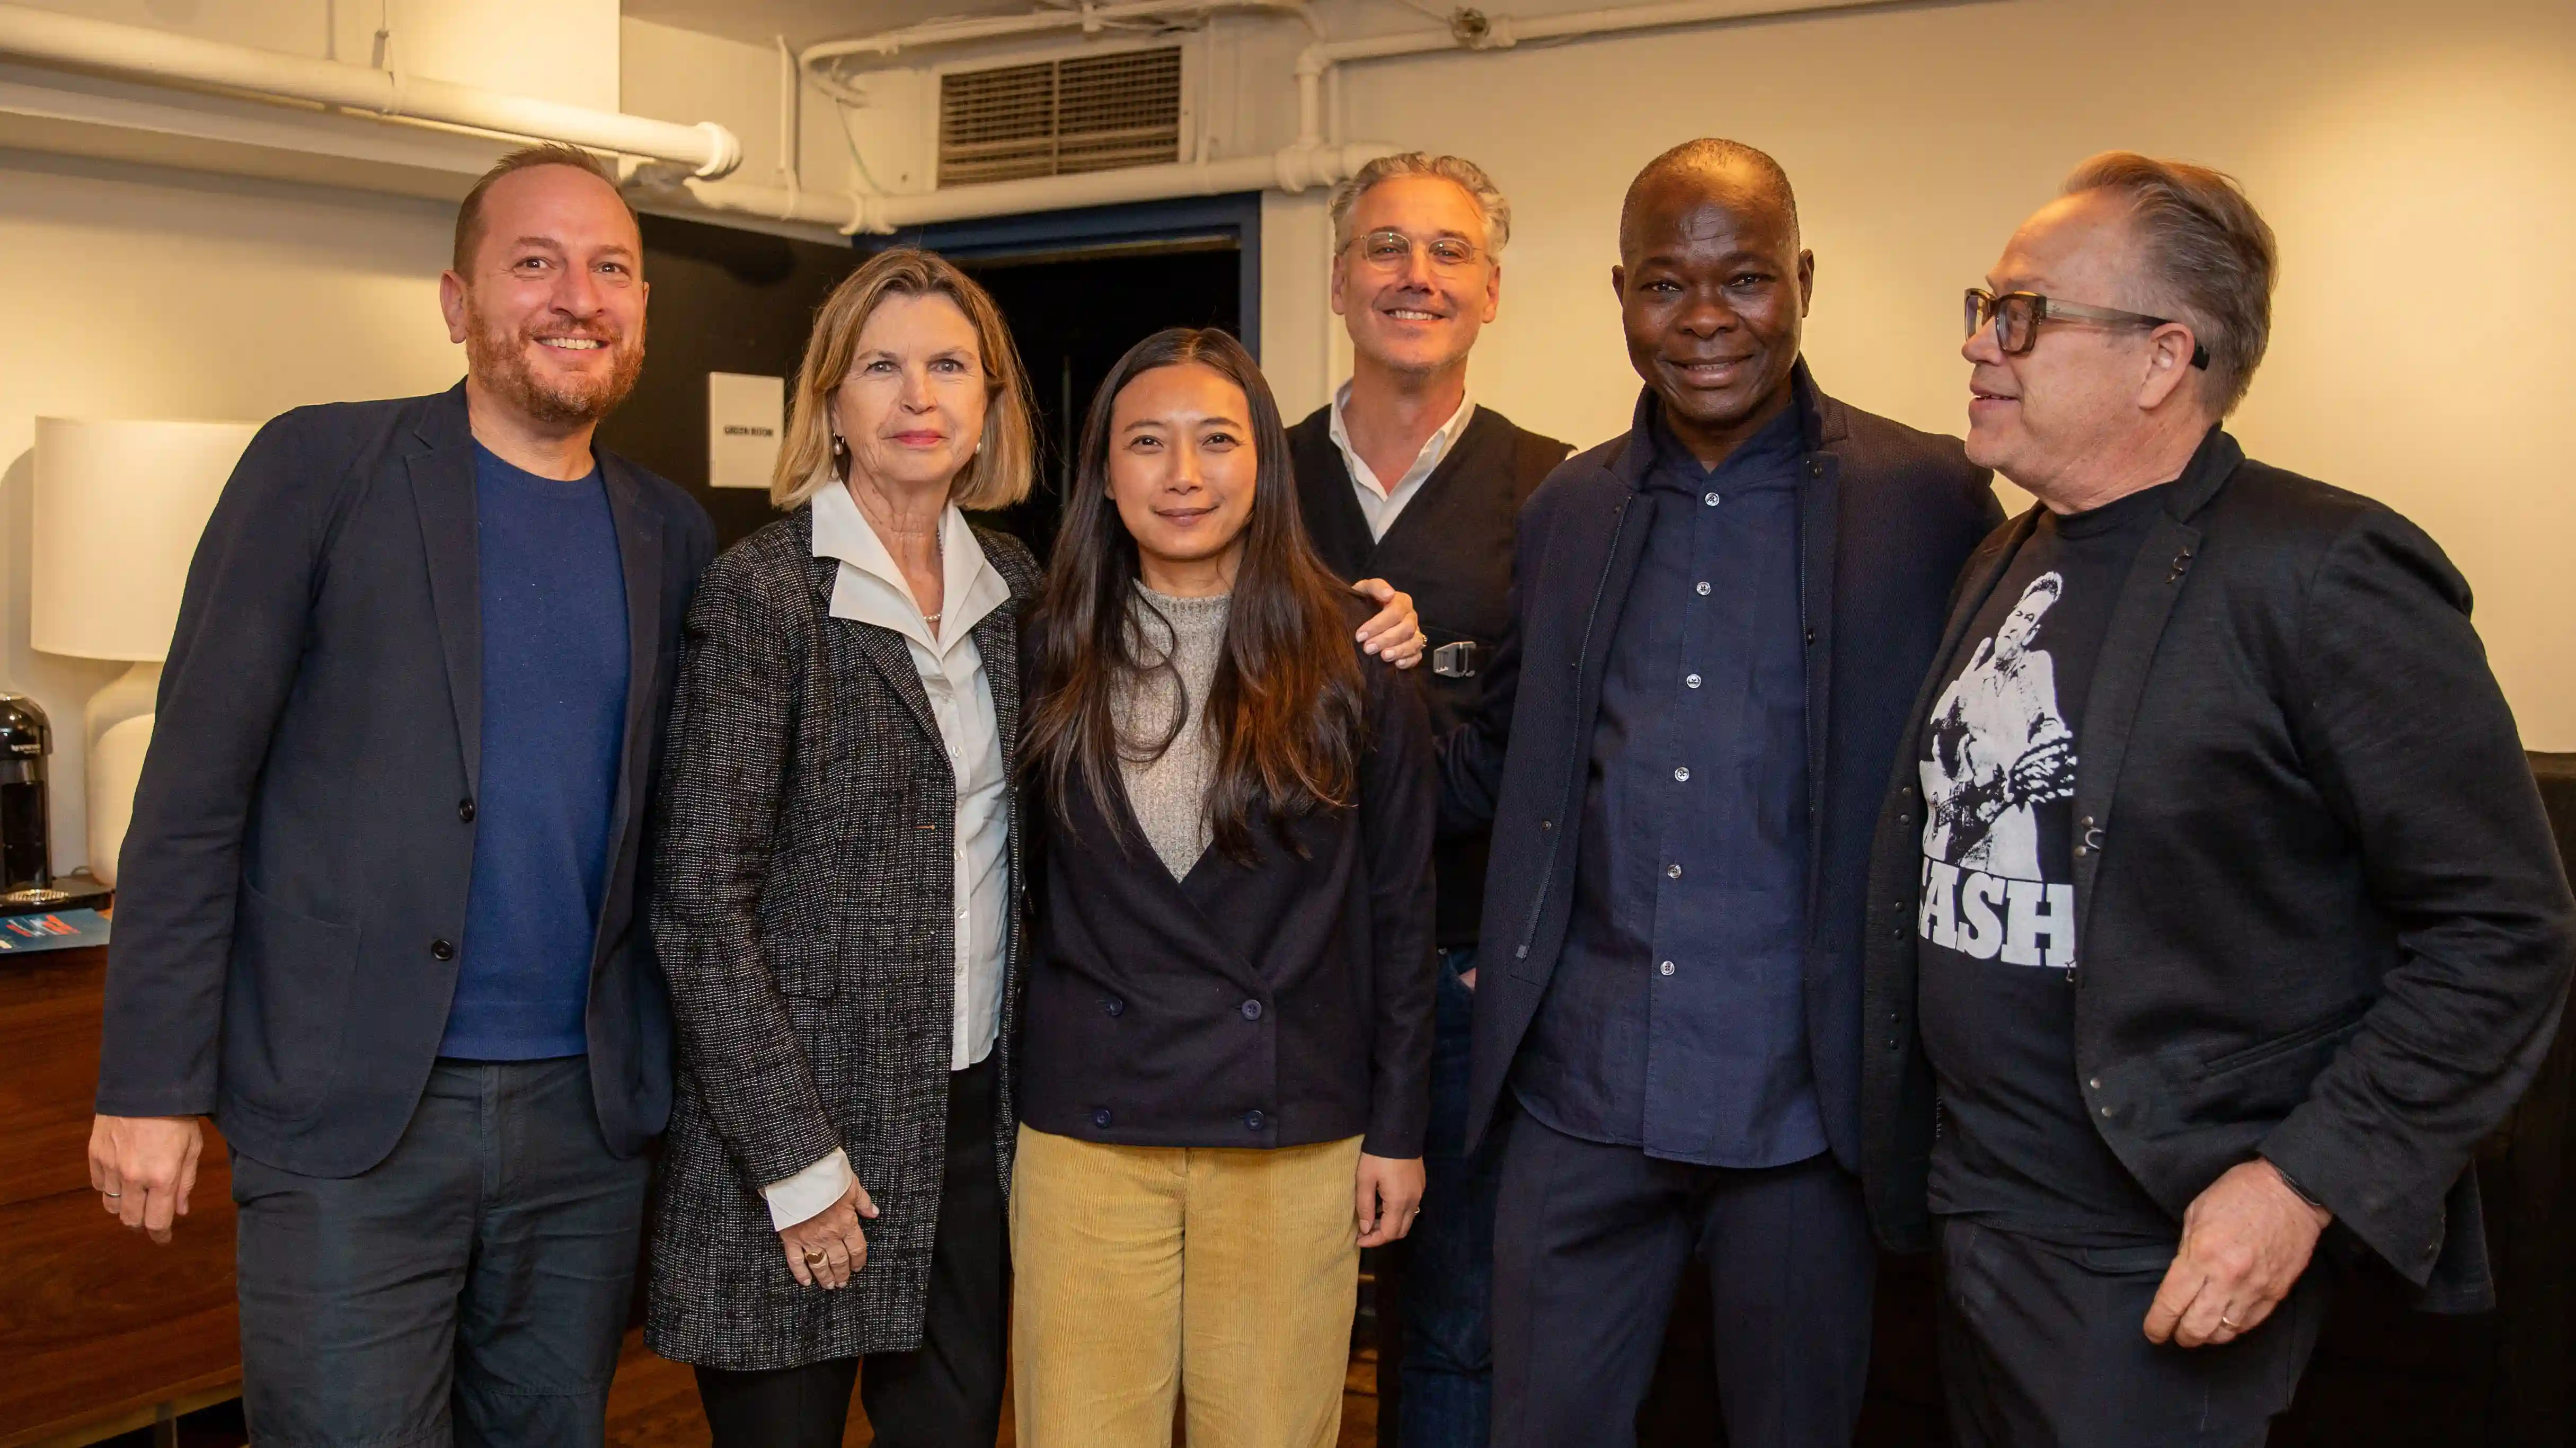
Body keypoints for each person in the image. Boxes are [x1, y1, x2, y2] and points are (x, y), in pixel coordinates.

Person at [1860, 153, 2576, 1446]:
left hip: (2154, 1257)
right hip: (1975, 1217)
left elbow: (2504, 932)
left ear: (2161, 358)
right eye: (1984, 304)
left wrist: (2303, 1185)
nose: (1978, 343)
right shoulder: (2010, 551)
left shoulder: (2327, 573)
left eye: (2023, 313)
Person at [87, 144, 716, 1445]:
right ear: (455, 300)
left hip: (585, 1134)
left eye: (611, 268)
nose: (577, 297)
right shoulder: (321, 471)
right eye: (533, 263)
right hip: (351, 1122)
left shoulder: (675, 534)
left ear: (643, 307)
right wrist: (151, 1081)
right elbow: (193, 797)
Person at [1441, 138, 2002, 1447]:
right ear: (1620, 294)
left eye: (1744, 280)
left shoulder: (1930, 496)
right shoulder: (1566, 506)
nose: (1703, 321)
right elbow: (1523, 756)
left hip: (1805, 1109)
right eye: (1663, 285)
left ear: (1802, 280)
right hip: (1579, 1094)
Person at [1010, 326, 1439, 1448]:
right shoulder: (1043, 645)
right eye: (1148, 442)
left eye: (1217, 440)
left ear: (1266, 466)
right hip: (1088, 1135)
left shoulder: (1356, 653)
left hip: (1291, 1128)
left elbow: (1399, 907)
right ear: (1106, 470)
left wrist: (1396, 1125)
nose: (1184, 475)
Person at [641, 246, 1041, 1448]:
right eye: (881, 366)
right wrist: (801, 1164)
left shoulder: (1016, 586)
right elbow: (698, 901)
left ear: (989, 406)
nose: (917, 397)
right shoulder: (763, 596)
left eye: (948, 367)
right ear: (831, 401)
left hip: (971, 1131)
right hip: (797, 1143)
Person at [1286, 152, 1572, 1448]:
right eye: (1388, 248)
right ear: (1340, 279)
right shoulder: (1246, 478)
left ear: (1493, 291)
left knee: (1454, 1329)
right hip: (1269, 981)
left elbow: (1537, 770)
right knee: (1266, 1327)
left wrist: (1395, 724)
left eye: (1448, 251)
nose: (1417, 274)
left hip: (1465, 989)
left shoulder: (1562, 497)